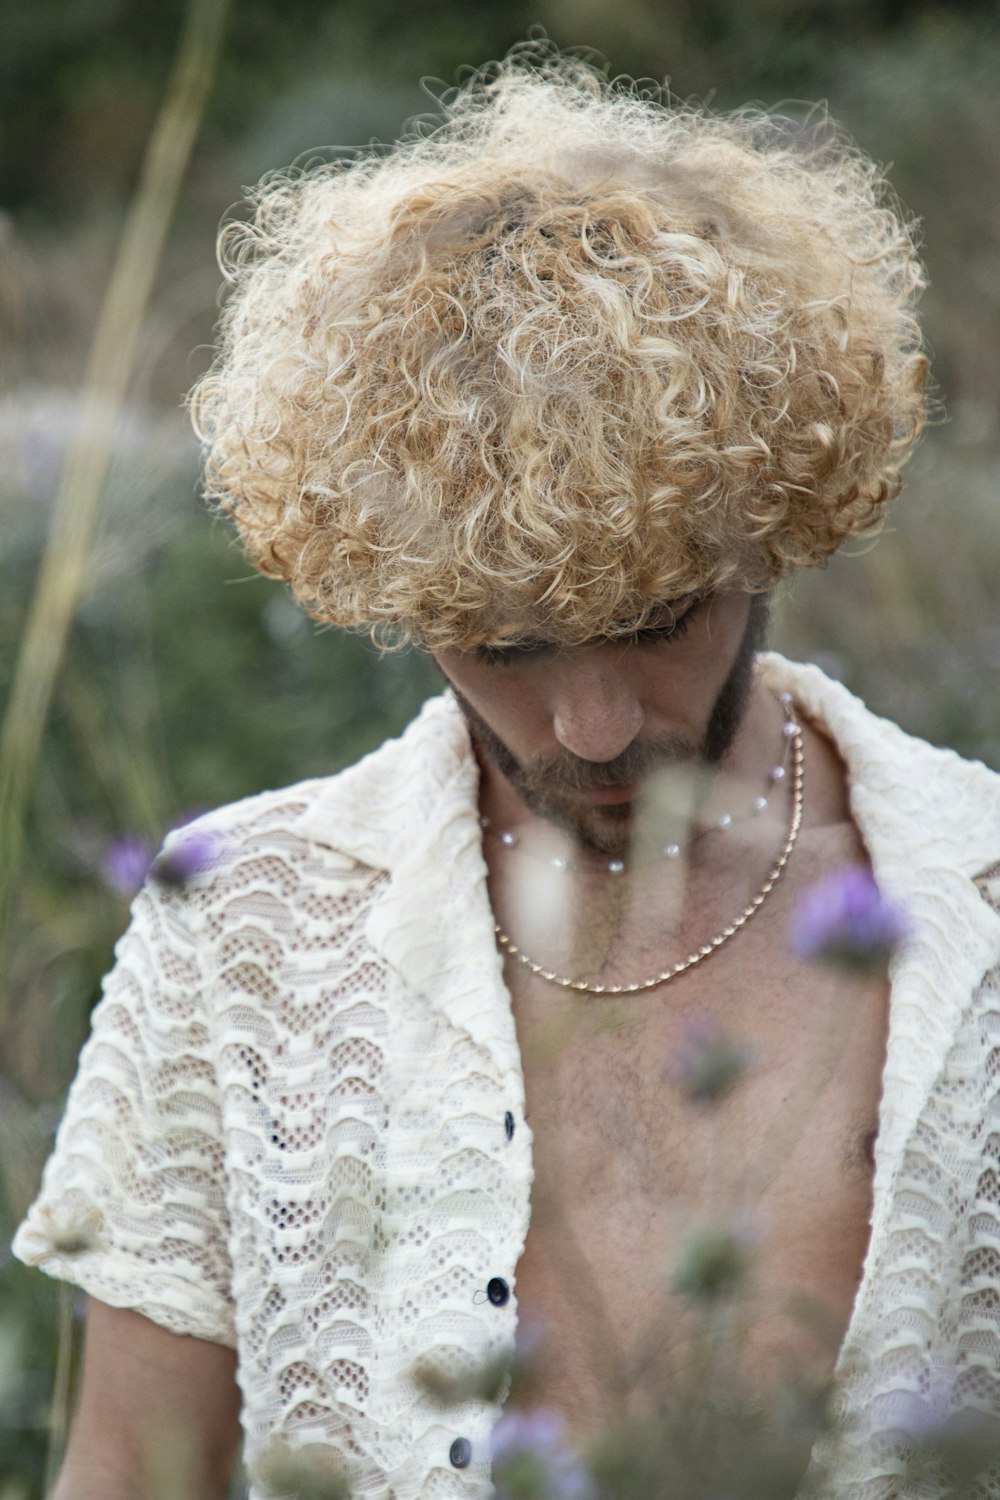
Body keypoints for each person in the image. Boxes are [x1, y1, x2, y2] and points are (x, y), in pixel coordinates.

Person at [13, 45, 1000, 1500]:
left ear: (776, 532)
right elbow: (127, 1474)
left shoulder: (976, 908)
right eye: (501, 643)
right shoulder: (245, 927)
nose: (592, 727)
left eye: (658, 622)